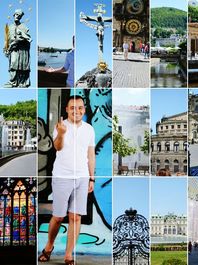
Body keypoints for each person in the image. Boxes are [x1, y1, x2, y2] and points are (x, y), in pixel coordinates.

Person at [38, 95, 96, 265]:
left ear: (84, 109)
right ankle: (49, 247)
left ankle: (69, 255)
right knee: (58, 217)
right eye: (72, 107)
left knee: (75, 217)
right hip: (62, 177)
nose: (76, 111)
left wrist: (91, 178)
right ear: (67, 110)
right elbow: (57, 147)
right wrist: (61, 133)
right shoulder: (61, 126)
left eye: (80, 107)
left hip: (82, 178)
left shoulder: (89, 129)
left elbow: (90, 155)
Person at [3, 9, 32, 87]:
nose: (18, 17)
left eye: (19, 16)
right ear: (14, 15)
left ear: (21, 17)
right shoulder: (9, 27)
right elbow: (6, 39)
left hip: (22, 50)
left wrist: (20, 40)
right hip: (13, 49)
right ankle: (13, 81)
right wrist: (5, 49)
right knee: (13, 63)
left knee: (22, 65)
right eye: (16, 15)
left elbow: (28, 38)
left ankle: (22, 82)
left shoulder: (24, 27)